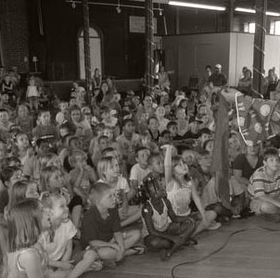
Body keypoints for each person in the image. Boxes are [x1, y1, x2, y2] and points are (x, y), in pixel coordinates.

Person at [81, 182, 143, 266]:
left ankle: (115, 255)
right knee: (103, 253)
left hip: (110, 240)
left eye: (114, 195)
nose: (114, 199)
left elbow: (117, 232)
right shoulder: (89, 216)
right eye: (110, 196)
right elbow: (93, 242)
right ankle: (128, 252)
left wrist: (120, 247)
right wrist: (113, 246)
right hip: (95, 246)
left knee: (136, 234)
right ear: (98, 201)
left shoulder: (113, 210)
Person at [140, 173, 196, 260]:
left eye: (161, 186)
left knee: (191, 224)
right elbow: (152, 231)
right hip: (152, 236)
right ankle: (180, 243)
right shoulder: (147, 208)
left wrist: (188, 218)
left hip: (166, 230)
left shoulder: (166, 201)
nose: (162, 189)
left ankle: (173, 246)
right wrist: (173, 237)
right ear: (150, 195)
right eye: (158, 189)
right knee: (156, 243)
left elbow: (174, 218)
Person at [5, 199, 49, 278]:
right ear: (30, 221)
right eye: (42, 210)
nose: (49, 212)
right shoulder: (29, 255)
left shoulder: (35, 245)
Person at [97, 156, 141, 227]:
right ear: (104, 172)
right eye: (112, 167)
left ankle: (121, 225)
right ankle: (116, 224)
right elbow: (100, 209)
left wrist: (124, 208)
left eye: (117, 165)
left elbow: (124, 199)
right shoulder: (100, 185)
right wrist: (116, 213)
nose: (116, 168)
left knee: (142, 210)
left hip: (119, 209)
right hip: (107, 213)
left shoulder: (122, 180)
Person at [248, 147, 280, 216]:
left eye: (277, 160)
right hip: (258, 200)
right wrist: (278, 204)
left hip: (275, 198)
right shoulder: (259, 175)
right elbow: (260, 196)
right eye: (271, 160)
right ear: (265, 163)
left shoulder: (278, 170)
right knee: (265, 207)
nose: (275, 163)